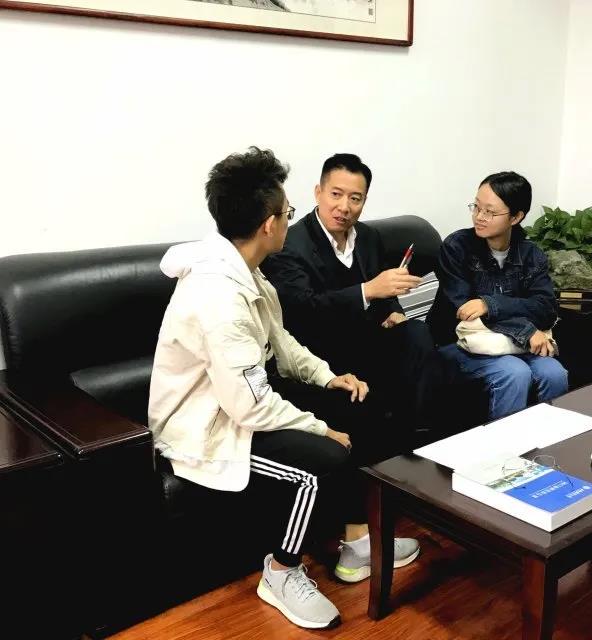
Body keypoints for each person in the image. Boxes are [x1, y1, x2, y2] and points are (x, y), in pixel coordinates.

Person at [148, 147, 418, 631]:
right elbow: (250, 408)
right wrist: (319, 429)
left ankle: (356, 540)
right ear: (269, 224)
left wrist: (328, 377)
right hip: (205, 428)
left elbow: (283, 343)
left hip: (237, 402)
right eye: (288, 212)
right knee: (321, 460)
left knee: (353, 401)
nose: (292, 221)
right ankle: (280, 570)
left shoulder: (248, 271)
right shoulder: (220, 297)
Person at [261, 153, 443, 432]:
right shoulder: (290, 243)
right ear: (318, 192)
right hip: (321, 350)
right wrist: (366, 291)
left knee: (417, 334)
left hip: (367, 342)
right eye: (336, 194)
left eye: (355, 198)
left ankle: (426, 433)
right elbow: (302, 310)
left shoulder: (368, 237)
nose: (344, 207)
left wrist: (394, 312)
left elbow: (385, 293)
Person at [427, 171, 569, 420]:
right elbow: (465, 311)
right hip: (459, 343)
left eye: (490, 212)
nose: (479, 217)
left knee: (554, 373)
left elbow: (545, 308)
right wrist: (526, 330)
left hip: (513, 345)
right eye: (476, 207)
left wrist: (489, 304)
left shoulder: (531, 254)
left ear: (516, 217)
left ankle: (550, 441)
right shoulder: (457, 247)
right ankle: (506, 445)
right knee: (514, 373)